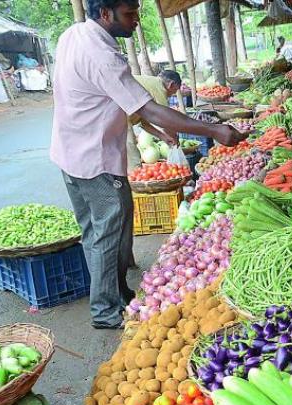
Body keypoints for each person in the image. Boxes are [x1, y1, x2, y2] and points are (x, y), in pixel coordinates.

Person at [50, 0, 247, 330]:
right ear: (105, 13)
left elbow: (137, 113)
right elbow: (150, 110)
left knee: (98, 230)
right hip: (94, 158)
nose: (137, 21)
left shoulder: (74, 35)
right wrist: (213, 129)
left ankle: (118, 292)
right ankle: (104, 310)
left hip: (69, 152)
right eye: (130, 14)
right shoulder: (102, 55)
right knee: (106, 234)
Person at [129, 70, 182, 146]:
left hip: (118, 118)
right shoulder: (160, 88)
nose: (171, 95)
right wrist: (175, 138)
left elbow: (144, 123)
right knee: (132, 154)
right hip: (119, 119)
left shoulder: (150, 84)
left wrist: (163, 137)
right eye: (174, 91)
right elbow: (166, 122)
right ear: (171, 84)